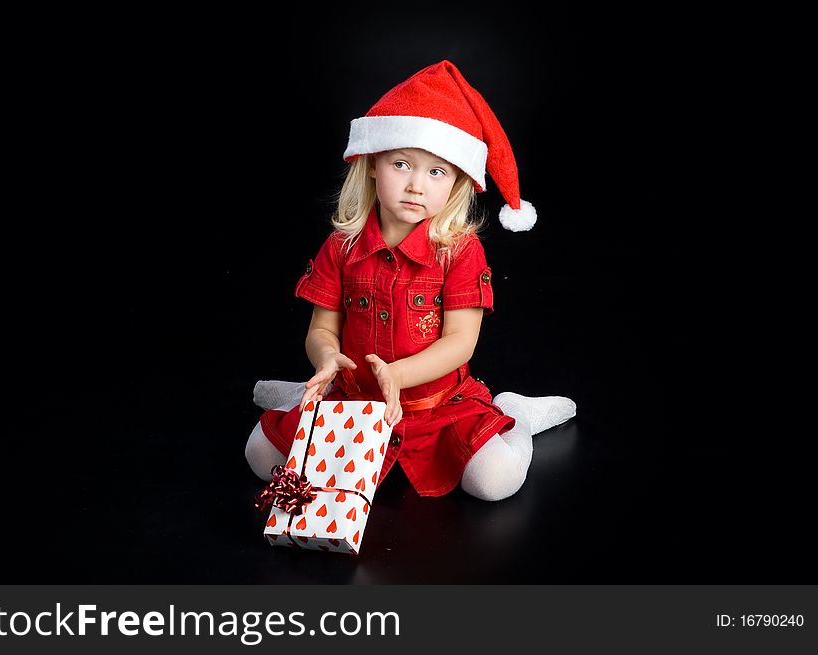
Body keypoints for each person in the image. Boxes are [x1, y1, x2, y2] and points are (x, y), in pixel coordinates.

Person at [245, 61, 575, 501]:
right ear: (373, 166)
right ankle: (299, 397)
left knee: (494, 484)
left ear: (456, 183)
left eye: (436, 172)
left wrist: (400, 374)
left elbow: (461, 342)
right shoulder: (341, 246)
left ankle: (513, 412)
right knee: (258, 455)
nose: (416, 185)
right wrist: (325, 359)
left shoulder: (459, 250)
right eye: (402, 164)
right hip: (353, 402)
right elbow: (322, 328)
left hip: (436, 408)